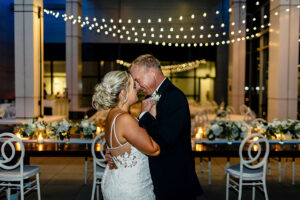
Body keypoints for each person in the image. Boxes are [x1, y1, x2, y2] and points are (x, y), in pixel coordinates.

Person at [106, 54, 204, 200]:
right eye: (135, 83)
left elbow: (165, 139)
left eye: (138, 80)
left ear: (152, 73)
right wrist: (118, 150)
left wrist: (145, 116)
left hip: (174, 180)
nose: (137, 87)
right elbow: (138, 134)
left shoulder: (175, 97)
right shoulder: (148, 98)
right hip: (155, 180)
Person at [92, 70, 160, 200]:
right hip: (131, 189)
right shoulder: (125, 119)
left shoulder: (112, 114)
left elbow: (122, 143)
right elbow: (154, 149)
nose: (138, 88)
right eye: (134, 86)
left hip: (116, 181)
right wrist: (150, 118)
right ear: (123, 94)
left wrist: (145, 115)